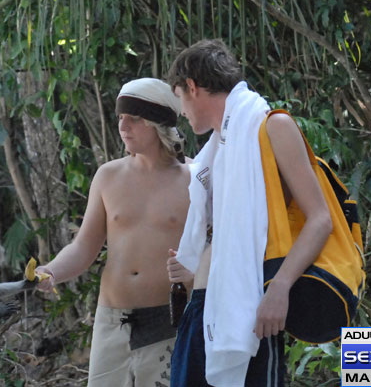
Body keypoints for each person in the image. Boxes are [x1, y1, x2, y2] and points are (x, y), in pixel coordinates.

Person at [165, 39, 332, 387]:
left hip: (252, 307)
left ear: (192, 87)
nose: (182, 111)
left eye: (180, 97)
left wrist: (279, 289)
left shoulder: (271, 127)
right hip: (207, 306)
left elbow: (320, 219)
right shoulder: (219, 145)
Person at [34, 78, 191, 387]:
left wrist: (194, 272)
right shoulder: (108, 176)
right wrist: (51, 271)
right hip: (111, 321)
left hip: (168, 321)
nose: (123, 126)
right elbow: (84, 247)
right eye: (120, 117)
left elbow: (214, 249)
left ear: (156, 122)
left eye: (133, 118)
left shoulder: (194, 179)